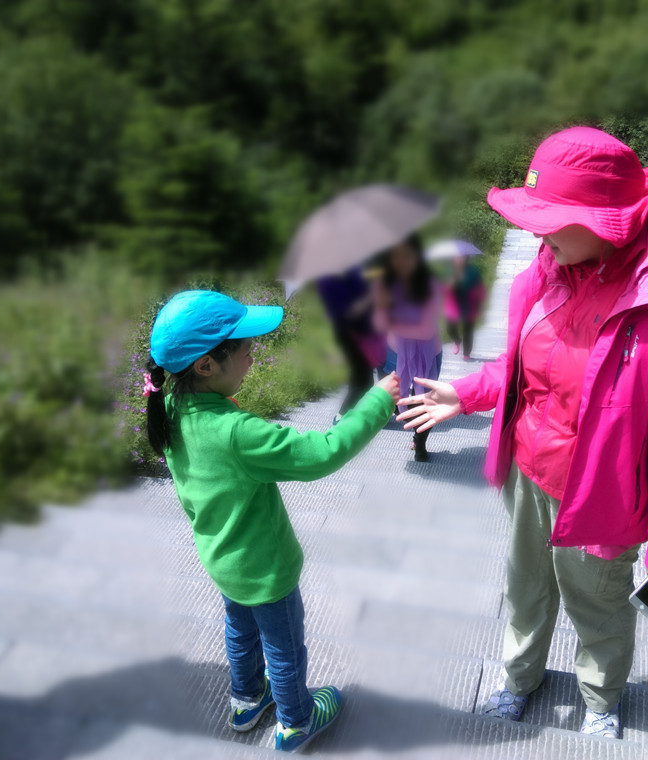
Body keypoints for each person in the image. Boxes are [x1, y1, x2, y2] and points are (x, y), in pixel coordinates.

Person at [397, 127, 648, 738]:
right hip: (529, 470)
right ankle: (519, 678)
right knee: (525, 588)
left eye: (550, 219)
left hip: (603, 496)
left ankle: (601, 698)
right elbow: (522, 364)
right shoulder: (547, 269)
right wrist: (467, 392)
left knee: (600, 603)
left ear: (606, 220)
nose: (536, 232)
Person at [143, 289, 401, 752]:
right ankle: (296, 722)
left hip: (222, 558)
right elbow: (322, 453)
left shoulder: (170, 407)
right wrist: (377, 402)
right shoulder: (236, 433)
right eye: (244, 348)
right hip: (266, 568)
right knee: (283, 647)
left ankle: (246, 700)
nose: (252, 354)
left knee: (240, 630)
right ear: (206, 365)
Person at [373, 233, 443, 463]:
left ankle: (420, 443)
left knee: (425, 401)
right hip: (395, 353)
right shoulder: (385, 283)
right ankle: (409, 427)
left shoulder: (431, 285)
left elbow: (425, 331)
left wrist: (392, 323)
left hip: (429, 353)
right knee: (396, 397)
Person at [315, 267, 386, 421]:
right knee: (362, 380)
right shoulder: (328, 280)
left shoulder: (351, 272)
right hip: (349, 333)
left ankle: (353, 415)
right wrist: (371, 294)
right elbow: (350, 311)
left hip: (359, 332)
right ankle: (342, 417)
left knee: (362, 379)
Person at [444, 254, 486, 361]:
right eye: (457, 257)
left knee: (468, 330)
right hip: (454, 303)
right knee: (450, 327)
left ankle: (467, 353)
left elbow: (480, 289)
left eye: (462, 257)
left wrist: (480, 308)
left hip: (469, 303)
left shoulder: (473, 271)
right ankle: (457, 340)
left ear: (466, 258)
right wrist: (452, 282)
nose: (459, 259)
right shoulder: (450, 271)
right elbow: (445, 289)